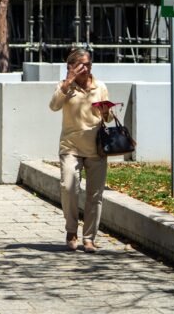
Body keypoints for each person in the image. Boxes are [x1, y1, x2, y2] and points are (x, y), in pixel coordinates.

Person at [49, 48, 111, 253]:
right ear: (72, 66)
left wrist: (106, 111)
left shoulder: (100, 86)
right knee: (68, 188)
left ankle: (89, 238)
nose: (87, 67)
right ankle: (71, 230)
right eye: (82, 64)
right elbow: (54, 106)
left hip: (96, 148)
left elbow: (108, 117)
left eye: (89, 64)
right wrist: (67, 82)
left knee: (95, 195)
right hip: (70, 146)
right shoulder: (65, 87)